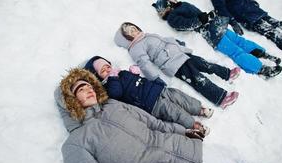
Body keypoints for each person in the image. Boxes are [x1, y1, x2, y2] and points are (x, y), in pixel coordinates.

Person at [58, 68, 204, 163]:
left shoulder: (113, 105)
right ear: (71, 100)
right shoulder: (75, 143)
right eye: (81, 90)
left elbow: (155, 123)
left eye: (90, 87)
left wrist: (184, 132)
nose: (89, 90)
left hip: (187, 149)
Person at [114, 22, 240, 109]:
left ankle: (227, 73)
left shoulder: (145, 36)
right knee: (198, 79)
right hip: (173, 63)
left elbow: (164, 40)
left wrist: (176, 43)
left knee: (205, 64)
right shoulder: (135, 48)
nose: (134, 30)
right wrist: (154, 78)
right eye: (129, 31)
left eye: (133, 27)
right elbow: (144, 64)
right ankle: (221, 98)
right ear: (127, 39)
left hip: (180, 53)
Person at [151, 0, 282, 79]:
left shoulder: (182, 4)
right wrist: (201, 19)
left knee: (240, 41)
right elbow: (185, 24)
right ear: (167, 6)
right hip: (211, 33)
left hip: (216, 25)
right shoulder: (172, 17)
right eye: (169, 0)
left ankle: (262, 54)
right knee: (236, 52)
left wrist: (209, 17)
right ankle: (260, 68)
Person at [83, 56, 212, 136]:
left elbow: (135, 80)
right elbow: (116, 93)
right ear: (99, 78)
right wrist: (113, 78)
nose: (108, 70)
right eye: (103, 71)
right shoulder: (109, 86)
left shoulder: (120, 73)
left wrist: (134, 72)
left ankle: (199, 109)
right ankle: (194, 125)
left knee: (180, 97)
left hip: (157, 89)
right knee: (174, 111)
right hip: (151, 103)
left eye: (107, 66)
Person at [198, 0, 282, 55]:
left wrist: (251, 2)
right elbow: (221, 9)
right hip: (248, 17)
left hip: (253, 10)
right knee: (273, 32)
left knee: (279, 24)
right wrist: (233, 21)